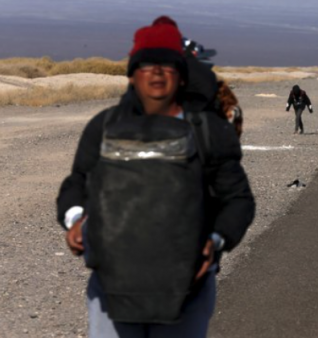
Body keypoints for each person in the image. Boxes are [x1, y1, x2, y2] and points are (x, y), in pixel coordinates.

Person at [57, 18, 255, 338]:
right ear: (132, 74)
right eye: (147, 63)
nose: (158, 72)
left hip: (188, 287)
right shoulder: (104, 127)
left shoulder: (208, 132)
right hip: (112, 285)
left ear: (182, 74)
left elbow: (238, 199)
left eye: (168, 64)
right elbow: (77, 182)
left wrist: (216, 240)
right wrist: (75, 218)